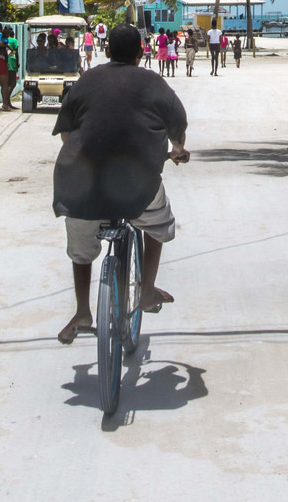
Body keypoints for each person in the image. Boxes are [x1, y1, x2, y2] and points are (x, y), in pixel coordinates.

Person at [52, 25, 189, 344]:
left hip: (80, 184)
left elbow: (66, 132)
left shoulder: (88, 79)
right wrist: (178, 150)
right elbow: (176, 126)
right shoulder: (153, 81)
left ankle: (83, 311)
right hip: (136, 181)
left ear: (108, 51)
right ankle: (146, 290)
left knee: (81, 250)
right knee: (156, 225)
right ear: (142, 52)